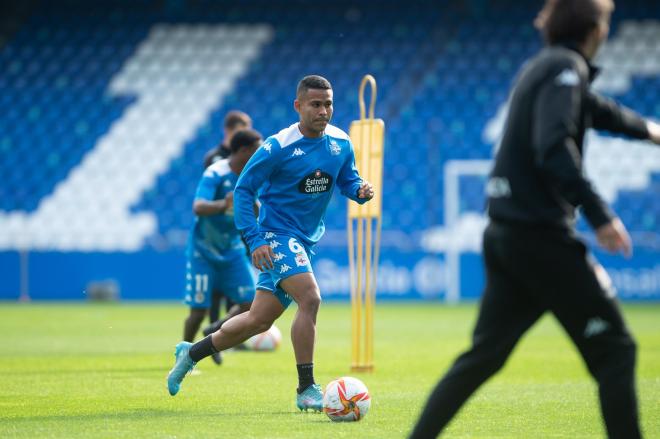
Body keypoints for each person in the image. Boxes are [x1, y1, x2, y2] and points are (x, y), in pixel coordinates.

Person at [409, 1, 660, 438]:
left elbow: (597, 110)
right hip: (541, 240)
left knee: (483, 356)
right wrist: (600, 216)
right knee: (616, 351)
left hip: (505, 236)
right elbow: (554, 148)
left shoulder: (544, 66)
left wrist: (649, 130)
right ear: (596, 29)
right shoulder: (566, 67)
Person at [167, 75, 375, 412]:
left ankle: (191, 353)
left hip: (304, 240)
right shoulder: (277, 147)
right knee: (310, 298)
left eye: (328, 104)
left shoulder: (340, 143)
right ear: (298, 106)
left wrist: (360, 190)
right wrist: (254, 239)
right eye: (316, 104)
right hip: (276, 235)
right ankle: (306, 388)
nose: (324, 111)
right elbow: (244, 191)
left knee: (258, 321)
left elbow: (347, 179)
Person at [179, 129, 263, 366]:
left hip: (233, 250)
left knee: (251, 304)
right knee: (198, 311)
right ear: (244, 151)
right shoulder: (216, 173)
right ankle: (185, 355)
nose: (261, 154)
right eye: (257, 150)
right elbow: (198, 207)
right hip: (203, 251)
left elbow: (256, 206)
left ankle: (216, 329)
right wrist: (223, 204)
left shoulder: (253, 175)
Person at [202, 110, 252, 358]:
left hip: (239, 228)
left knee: (240, 288)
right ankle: (215, 340)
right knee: (217, 289)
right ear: (229, 131)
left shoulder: (248, 157)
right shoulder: (215, 160)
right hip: (216, 231)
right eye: (239, 130)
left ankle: (224, 332)